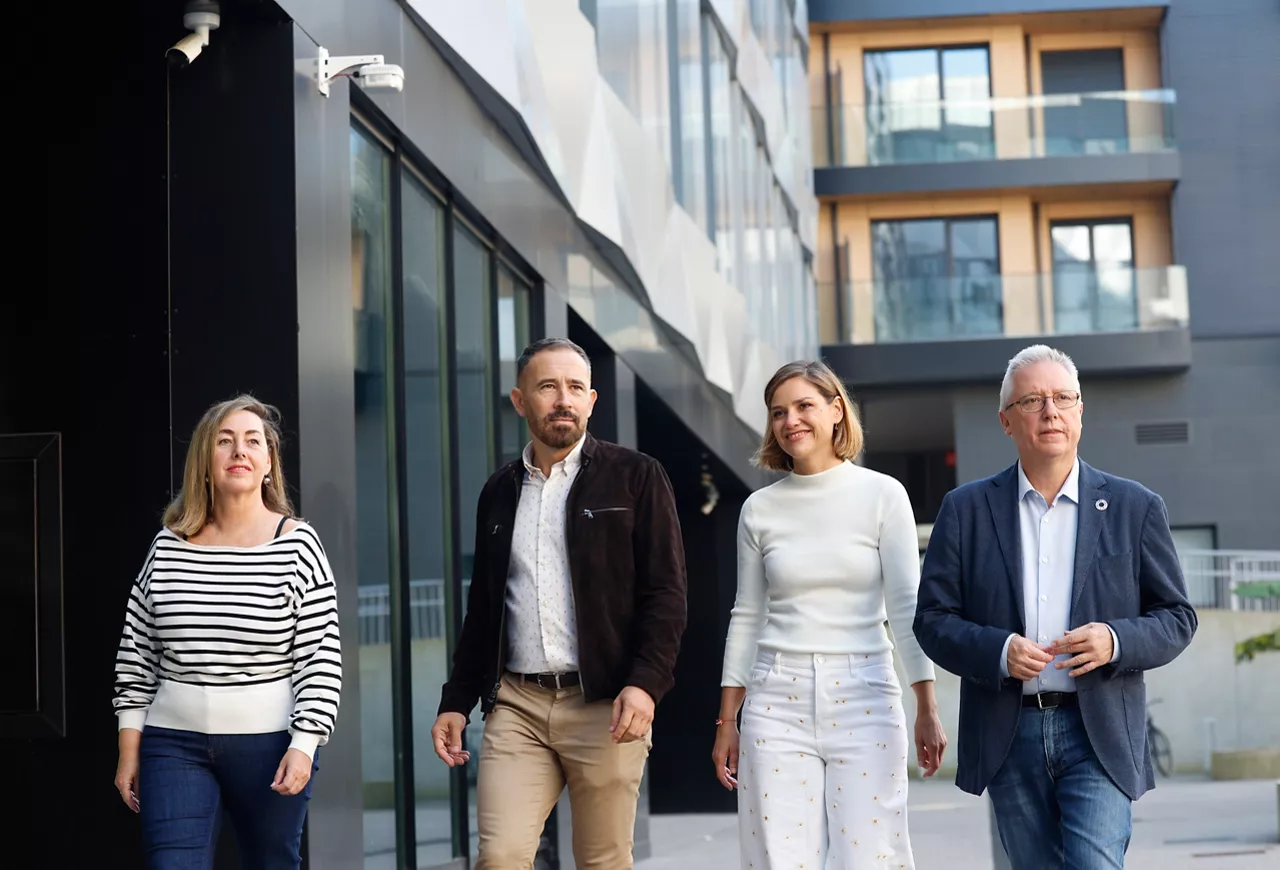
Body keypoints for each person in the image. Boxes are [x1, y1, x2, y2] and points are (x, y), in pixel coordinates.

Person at [914, 344, 1197, 870]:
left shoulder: (1134, 507)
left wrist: (1114, 640)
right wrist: (998, 650)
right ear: (1006, 420)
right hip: (1009, 731)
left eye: (1064, 398)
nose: (1051, 412)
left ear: (1080, 411)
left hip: (1099, 730)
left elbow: (1177, 617)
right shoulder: (965, 510)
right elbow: (931, 621)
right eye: (1033, 401)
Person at [430, 337, 687, 870]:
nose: (563, 399)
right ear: (519, 400)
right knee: (500, 858)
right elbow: (484, 608)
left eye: (575, 388)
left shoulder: (636, 476)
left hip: (606, 706)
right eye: (547, 387)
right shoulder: (499, 491)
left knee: (602, 860)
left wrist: (646, 683)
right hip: (518, 705)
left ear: (592, 400)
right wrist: (456, 699)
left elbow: (666, 593)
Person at [712, 360, 946, 869]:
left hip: (865, 692)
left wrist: (926, 706)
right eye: (778, 412)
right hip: (776, 696)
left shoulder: (883, 495)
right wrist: (727, 720)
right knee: (779, 859)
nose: (790, 421)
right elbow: (746, 615)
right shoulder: (759, 509)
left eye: (804, 406)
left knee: (872, 857)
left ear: (837, 409)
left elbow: (906, 608)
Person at [113, 396, 342, 870]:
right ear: (204, 460)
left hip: (271, 745)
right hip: (173, 744)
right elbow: (137, 654)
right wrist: (128, 748)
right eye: (224, 441)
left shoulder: (298, 545)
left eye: (253, 441)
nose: (239, 451)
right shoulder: (168, 544)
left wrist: (304, 746)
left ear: (268, 463)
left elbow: (320, 659)